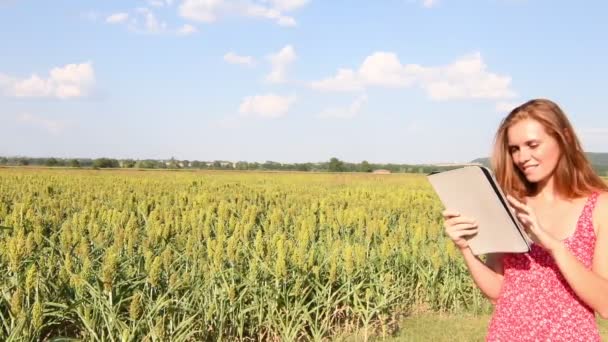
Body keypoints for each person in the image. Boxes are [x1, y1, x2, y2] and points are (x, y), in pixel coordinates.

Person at [443, 99, 608, 341]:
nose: (523, 157)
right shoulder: (511, 204)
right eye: (515, 149)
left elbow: (604, 304)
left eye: (533, 144)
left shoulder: (600, 207)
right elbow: (498, 294)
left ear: (565, 139)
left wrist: (554, 246)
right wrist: (466, 248)